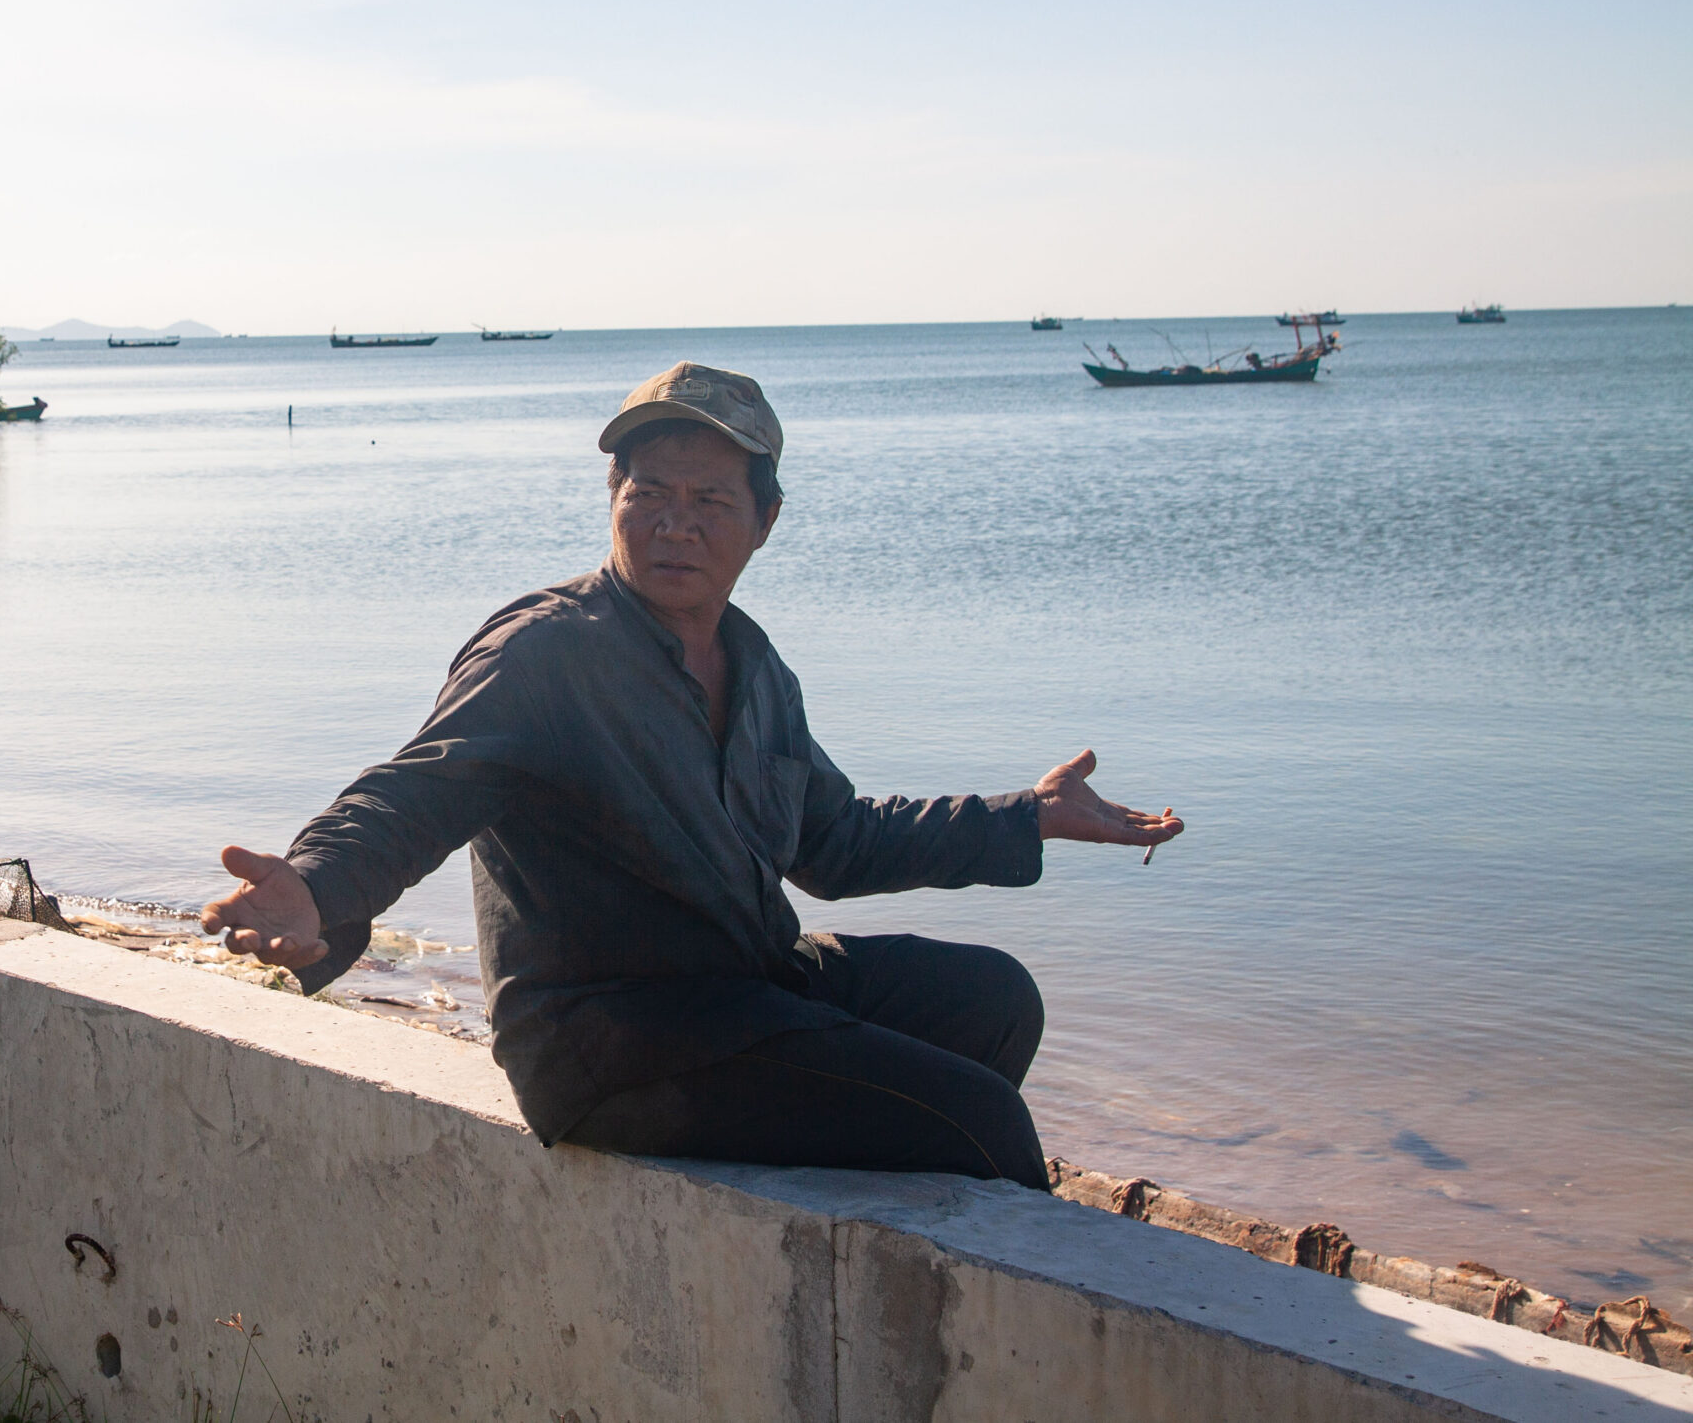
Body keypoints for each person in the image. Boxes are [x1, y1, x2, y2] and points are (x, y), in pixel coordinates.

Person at [200, 362, 1182, 1186]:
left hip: (741, 988)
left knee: (992, 998)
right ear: (613, 502)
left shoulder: (754, 670)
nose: (676, 525)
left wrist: (1029, 817)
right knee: (980, 1125)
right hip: (613, 1037)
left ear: (765, 520)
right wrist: (316, 884)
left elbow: (836, 841)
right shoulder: (548, 652)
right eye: (650, 496)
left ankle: (864, 1212)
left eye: (709, 500)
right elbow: (416, 793)